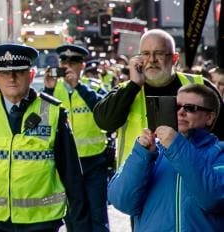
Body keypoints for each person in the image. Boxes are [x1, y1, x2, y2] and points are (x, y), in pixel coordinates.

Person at [0, 43, 90, 232]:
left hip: (39, 224)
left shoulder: (53, 112)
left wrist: (80, 228)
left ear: (30, 75)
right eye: (5, 73)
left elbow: (72, 177)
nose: (11, 78)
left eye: (19, 72)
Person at [92, 28, 224, 168]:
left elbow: (221, 133)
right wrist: (134, 85)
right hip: (135, 180)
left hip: (187, 178)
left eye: (159, 54)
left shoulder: (200, 85)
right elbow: (104, 122)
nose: (152, 60)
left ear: (174, 58)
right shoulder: (127, 90)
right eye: (146, 54)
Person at [108, 83, 224, 231]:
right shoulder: (153, 152)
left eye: (190, 108)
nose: (181, 112)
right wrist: (141, 155)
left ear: (209, 117)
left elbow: (213, 199)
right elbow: (122, 202)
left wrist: (176, 145)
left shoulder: (219, 152)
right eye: (176, 107)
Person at [45, 44, 109, 232]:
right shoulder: (53, 91)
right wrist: (48, 90)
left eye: (73, 61)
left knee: (97, 216)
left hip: (94, 161)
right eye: (64, 61)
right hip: (66, 165)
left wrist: (78, 87)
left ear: (82, 65)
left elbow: (103, 111)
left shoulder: (93, 87)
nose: (68, 65)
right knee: (73, 216)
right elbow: (43, 120)